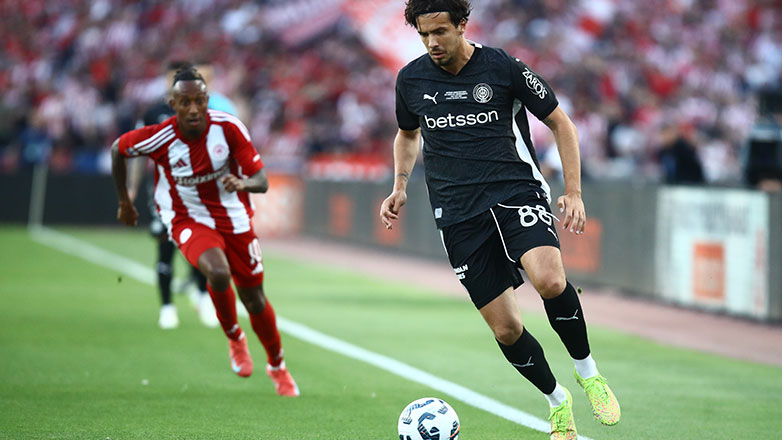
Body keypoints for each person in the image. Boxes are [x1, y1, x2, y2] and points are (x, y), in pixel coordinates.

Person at [379, 1, 619, 438]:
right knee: (507, 329)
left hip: (514, 191)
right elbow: (407, 134)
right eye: (424, 35)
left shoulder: (502, 67)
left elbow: (561, 124)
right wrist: (399, 185)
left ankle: (589, 374)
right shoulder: (410, 80)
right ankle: (557, 400)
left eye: (440, 32)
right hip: (457, 213)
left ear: (462, 25)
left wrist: (573, 192)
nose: (432, 42)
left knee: (550, 280)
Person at [111, 65, 299, 397]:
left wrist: (242, 183)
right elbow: (118, 150)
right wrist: (125, 201)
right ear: (173, 104)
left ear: (207, 100)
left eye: (200, 101)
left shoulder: (228, 128)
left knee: (254, 299)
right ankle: (235, 338)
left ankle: (277, 365)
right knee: (218, 271)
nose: (194, 109)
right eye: (185, 102)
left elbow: (261, 180)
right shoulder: (161, 137)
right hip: (186, 217)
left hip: (233, 217)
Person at [128, 60, 238, 330]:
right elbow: (138, 152)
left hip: (196, 192)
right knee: (165, 246)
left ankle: (202, 297)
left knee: (202, 245)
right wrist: (131, 187)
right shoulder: (153, 113)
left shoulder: (200, 111)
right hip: (163, 192)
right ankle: (167, 308)